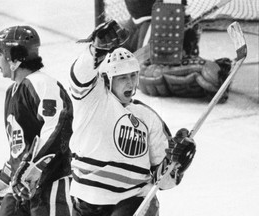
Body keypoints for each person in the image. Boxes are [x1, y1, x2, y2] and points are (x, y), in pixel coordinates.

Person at [67, 20, 196, 216]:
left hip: (132, 201)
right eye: (122, 78)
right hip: (87, 201)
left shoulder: (147, 117)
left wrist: (177, 164)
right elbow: (80, 75)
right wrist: (96, 49)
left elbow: (163, 182)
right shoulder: (92, 99)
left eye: (133, 76)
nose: (130, 83)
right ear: (107, 79)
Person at [0, 25, 73, 216]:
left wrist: (33, 170)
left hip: (50, 186)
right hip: (21, 189)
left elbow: (58, 127)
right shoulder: (12, 92)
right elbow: (20, 150)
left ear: (14, 57)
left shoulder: (42, 83)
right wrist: (1, 182)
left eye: (0, 53)